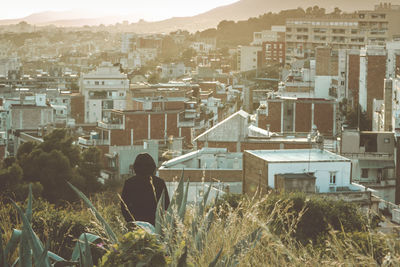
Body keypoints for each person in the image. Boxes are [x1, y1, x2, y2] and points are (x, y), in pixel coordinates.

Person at [121, 153, 170, 226]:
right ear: (152, 166)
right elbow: (166, 205)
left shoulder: (129, 183)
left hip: (136, 226)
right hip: (156, 225)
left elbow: (124, 207)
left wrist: (131, 221)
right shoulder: (159, 182)